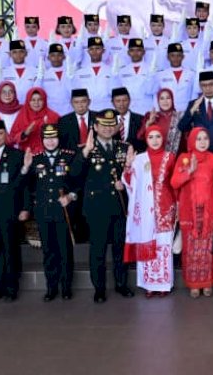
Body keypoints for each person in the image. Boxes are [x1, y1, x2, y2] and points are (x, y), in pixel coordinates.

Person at [75, 109, 134, 303]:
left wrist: (126, 180)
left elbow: (134, 178)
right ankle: (99, 288)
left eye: (111, 125)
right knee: (98, 250)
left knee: (119, 249)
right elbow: (74, 175)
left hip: (119, 207)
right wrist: (84, 153)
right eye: (104, 125)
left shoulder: (124, 148)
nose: (108, 129)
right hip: (97, 208)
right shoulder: (86, 148)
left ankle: (121, 284)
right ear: (96, 127)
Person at [171, 127, 213, 298]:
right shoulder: (184, 159)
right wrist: (189, 171)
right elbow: (174, 183)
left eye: (205, 138)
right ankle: (193, 284)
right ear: (192, 141)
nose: (202, 142)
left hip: (210, 211)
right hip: (190, 212)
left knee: (208, 249)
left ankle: (208, 282)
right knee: (191, 249)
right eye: (198, 139)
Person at [121, 125, 177, 298]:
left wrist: (179, 205)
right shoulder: (139, 159)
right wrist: (128, 167)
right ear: (146, 139)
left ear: (163, 138)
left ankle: (164, 284)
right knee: (146, 244)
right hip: (145, 211)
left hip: (165, 208)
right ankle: (149, 284)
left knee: (163, 247)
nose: (154, 140)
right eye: (151, 137)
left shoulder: (171, 157)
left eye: (158, 136)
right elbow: (130, 182)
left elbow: (175, 184)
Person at [28, 124, 81, 301]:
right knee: (49, 252)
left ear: (59, 139)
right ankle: (51, 288)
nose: (50, 141)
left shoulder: (69, 157)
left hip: (63, 213)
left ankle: (66, 287)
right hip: (44, 213)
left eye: (54, 137)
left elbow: (79, 183)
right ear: (42, 140)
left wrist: (71, 196)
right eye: (47, 138)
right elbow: (27, 186)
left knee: (65, 251)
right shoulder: (35, 159)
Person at [0, 120, 29, 301]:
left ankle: (12, 287)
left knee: (10, 249)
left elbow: (25, 186)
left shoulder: (17, 155)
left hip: (10, 211)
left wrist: (26, 208)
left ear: (6, 135)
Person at [8, 87, 60, 153]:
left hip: (48, 155)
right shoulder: (22, 115)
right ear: (28, 101)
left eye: (40, 100)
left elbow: (62, 137)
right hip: (26, 155)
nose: (36, 103)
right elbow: (12, 138)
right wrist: (25, 133)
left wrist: (48, 128)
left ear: (44, 100)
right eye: (33, 100)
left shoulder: (53, 116)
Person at [138, 88, 184, 154]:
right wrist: (148, 123)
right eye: (162, 98)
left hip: (176, 156)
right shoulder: (151, 116)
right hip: (157, 156)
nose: (165, 101)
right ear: (158, 101)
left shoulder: (180, 117)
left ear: (172, 100)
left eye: (168, 98)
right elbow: (140, 137)